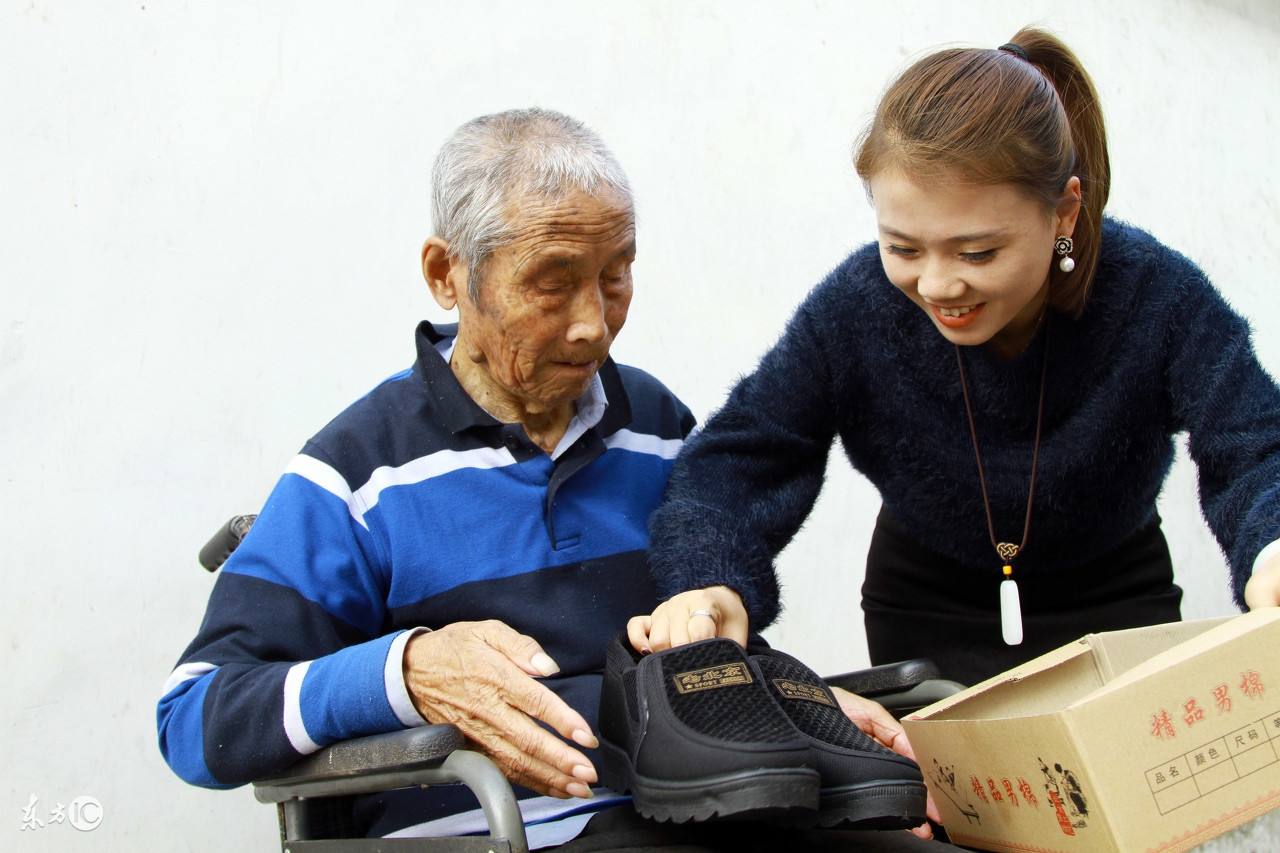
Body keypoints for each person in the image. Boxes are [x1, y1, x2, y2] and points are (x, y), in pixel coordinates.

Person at [157, 108, 944, 852]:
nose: (593, 324)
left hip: (708, 819)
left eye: (615, 274)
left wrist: (795, 700)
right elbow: (192, 717)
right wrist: (404, 670)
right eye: (552, 281)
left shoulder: (655, 424)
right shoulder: (359, 473)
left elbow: (697, 643)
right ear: (447, 274)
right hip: (507, 831)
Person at [633, 28, 1280, 689]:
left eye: (976, 253)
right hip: (925, 611)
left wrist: (1272, 546)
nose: (939, 286)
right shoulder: (858, 307)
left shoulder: (1156, 295)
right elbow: (748, 448)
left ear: (1064, 211)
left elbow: (1255, 441)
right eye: (905, 248)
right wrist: (710, 580)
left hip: (1115, 601)